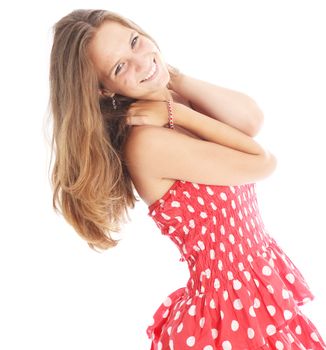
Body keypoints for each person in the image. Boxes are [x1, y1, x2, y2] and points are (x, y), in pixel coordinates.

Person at [48, 9, 326, 350]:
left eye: (135, 42)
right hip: (228, 316)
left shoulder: (176, 103)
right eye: (120, 67)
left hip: (254, 296)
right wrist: (175, 112)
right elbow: (262, 161)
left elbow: (250, 119)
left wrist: (171, 79)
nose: (140, 62)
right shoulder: (147, 142)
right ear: (104, 90)